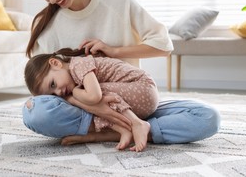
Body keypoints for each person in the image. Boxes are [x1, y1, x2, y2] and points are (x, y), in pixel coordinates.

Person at [22, 0, 220, 146]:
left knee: (207, 117)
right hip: (84, 110)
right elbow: (45, 92)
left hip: (134, 100)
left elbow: (163, 46)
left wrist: (114, 51)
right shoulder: (44, 25)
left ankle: (112, 132)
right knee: (34, 113)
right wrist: (95, 105)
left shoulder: (117, 0)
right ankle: (132, 127)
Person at [25, 47, 160, 152]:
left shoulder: (78, 65)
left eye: (53, 84)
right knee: (88, 105)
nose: (59, 93)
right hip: (139, 100)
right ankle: (123, 129)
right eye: (53, 94)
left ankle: (138, 124)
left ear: (55, 63)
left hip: (143, 88)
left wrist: (75, 94)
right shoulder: (73, 76)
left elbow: (95, 96)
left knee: (92, 97)